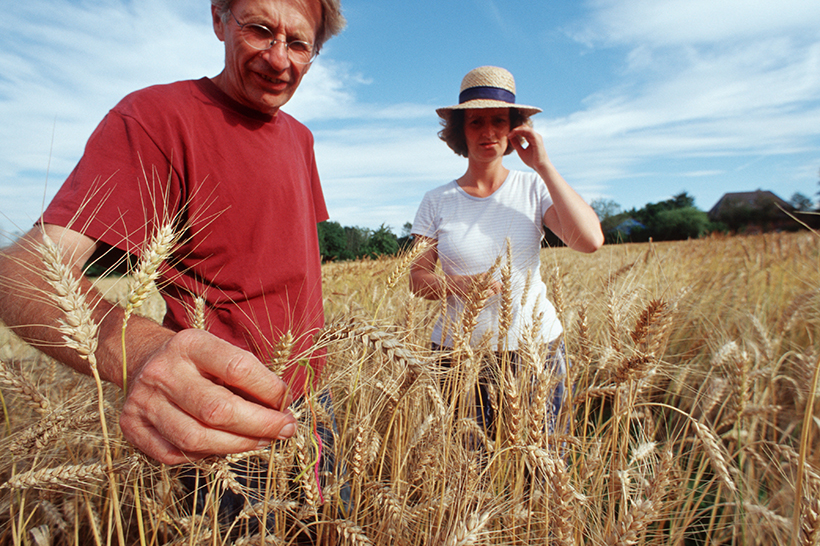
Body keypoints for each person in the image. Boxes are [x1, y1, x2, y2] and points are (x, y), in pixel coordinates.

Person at [0, 0, 345, 466]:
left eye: (299, 42)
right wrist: (142, 353)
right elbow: (23, 271)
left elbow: (292, 267)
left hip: (313, 402)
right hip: (217, 415)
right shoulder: (155, 118)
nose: (279, 58)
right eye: (260, 29)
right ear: (219, 20)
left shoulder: (301, 138)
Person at [410, 66, 604, 434]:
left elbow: (590, 241)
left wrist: (543, 166)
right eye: (476, 122)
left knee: (541, 469)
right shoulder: (436, 200)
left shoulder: (533, 188)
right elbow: (417, 281)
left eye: (499, 120)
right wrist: (463, 286)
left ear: (516, 129)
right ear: (459, 133)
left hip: (535, 350)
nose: (488, 132)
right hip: (457, 356)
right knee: (468, 472)